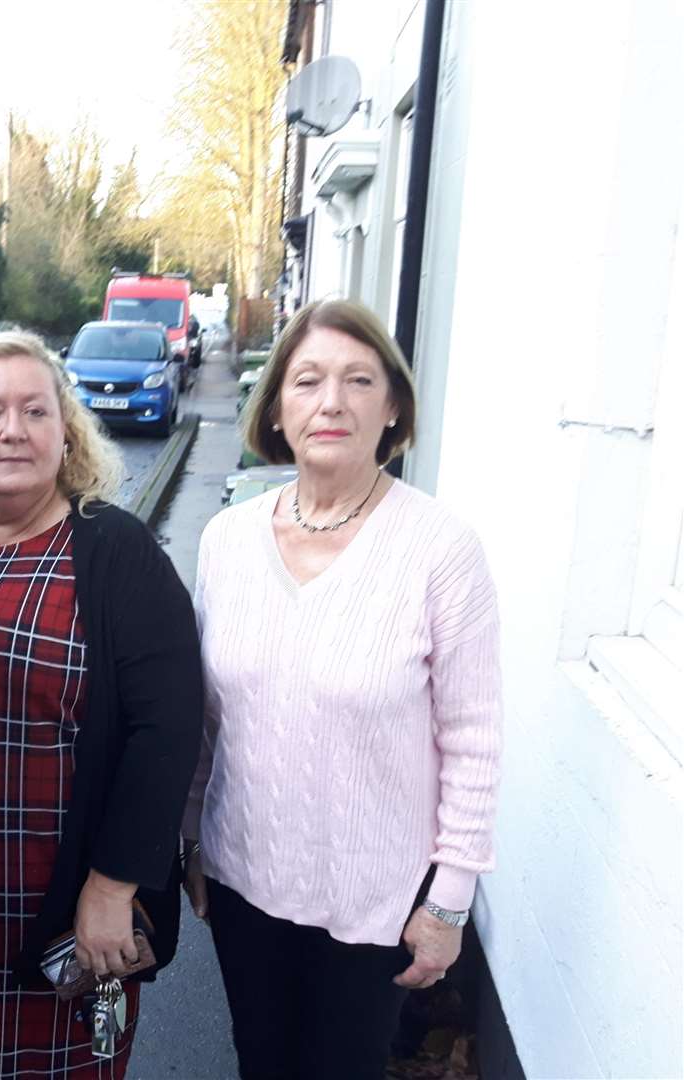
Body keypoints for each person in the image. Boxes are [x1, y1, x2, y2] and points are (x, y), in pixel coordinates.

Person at [183, 299, 503, 1080]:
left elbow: (474, 738)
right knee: (260, 1061)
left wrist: (449, 902)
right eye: (309, 380)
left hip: (376, 902)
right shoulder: (228, 540)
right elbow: (207, 714)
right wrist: (191, 835)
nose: (332, 402)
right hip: (244, 878)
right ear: (279, 408)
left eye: (359, 380)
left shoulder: (440, 550)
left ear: (392, 407)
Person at [0, 328, 203, 1078]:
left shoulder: (115, 554)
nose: (13, 430)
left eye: (36, 412)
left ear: (66, 434)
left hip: (63, 908)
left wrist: (113, 885)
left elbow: (167, 728)